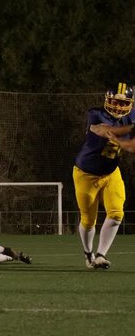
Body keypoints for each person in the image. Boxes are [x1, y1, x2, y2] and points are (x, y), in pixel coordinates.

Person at [72, 83, 135, 270]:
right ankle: (88, 253)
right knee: (88, 220)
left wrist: (125, 137)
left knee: (116, 214)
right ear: (107, 100)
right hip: (86, 173)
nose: (118, 107)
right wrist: (129, 129)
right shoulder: (96, 114)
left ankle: (100, 256)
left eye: (123, 103)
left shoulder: (131, 115)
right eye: (115, 102)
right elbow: (100, 130)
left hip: (110, 172)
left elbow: (132, 146)